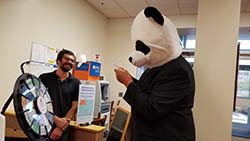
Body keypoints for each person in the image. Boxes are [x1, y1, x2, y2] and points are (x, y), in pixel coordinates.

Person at [114, 7, 195, 141]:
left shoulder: (178, 71)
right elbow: (148, 91)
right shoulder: (158, 65)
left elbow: (152, 108)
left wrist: (127, 82)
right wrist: (131, 79)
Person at [39, 49, 81, 141]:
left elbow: (74, 107)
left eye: (72, 61)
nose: (69, 62)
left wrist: (60, 127)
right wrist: (55, 119)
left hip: (63, 129)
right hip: (43, 125)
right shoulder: (44, 78)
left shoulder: (76, 83)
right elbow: (39, 102)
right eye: (66, 59)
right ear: (58, 61)